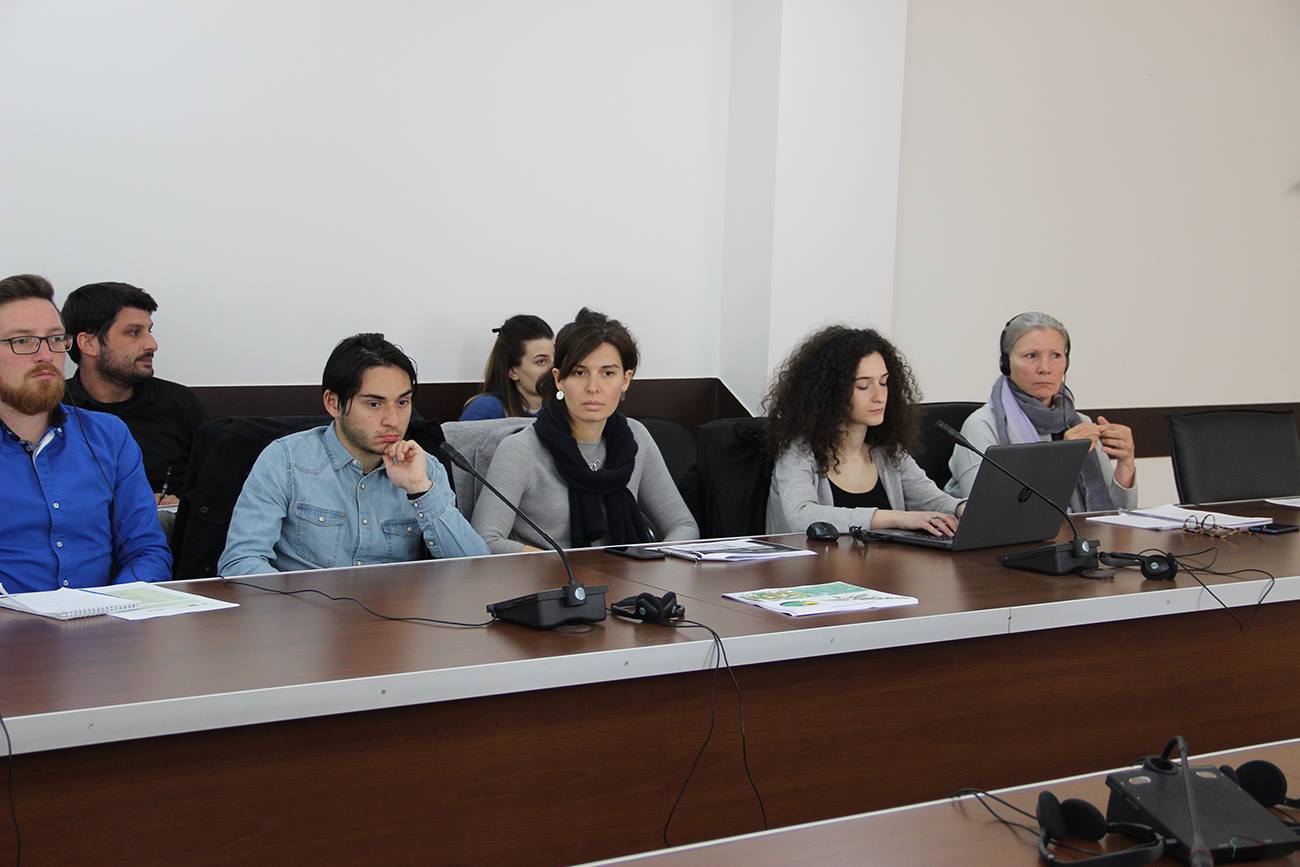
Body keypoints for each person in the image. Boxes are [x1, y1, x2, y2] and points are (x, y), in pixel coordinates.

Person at [219, 333, 489, 575]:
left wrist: (420, 491)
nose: (393, 420)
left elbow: (477, 568)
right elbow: (240, 561)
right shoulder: (285, 461)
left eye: (402, 402)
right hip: (306, 611)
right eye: (374, 404)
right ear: (333, 403)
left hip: (397, 613)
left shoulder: (424, 468)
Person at [471, 308, 698, 553]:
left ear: (625, 380)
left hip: (628, 573)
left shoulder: (636, 437)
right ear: (558, 379)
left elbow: (683, 525)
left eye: (608, 373)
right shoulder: (520, 449)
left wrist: (651, 562)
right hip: (551, 575)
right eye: (579, 373)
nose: (593, 387)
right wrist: (560, 565)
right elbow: (485, 540)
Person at [0, 274, 172, 592]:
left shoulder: (108, 436)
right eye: (22, 341)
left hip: (105, 617)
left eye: (55, 339)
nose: (45, 355)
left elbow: (146, 551)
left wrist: (113, 605)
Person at [765, 325, 962, 536]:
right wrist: (897, 518)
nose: (879, 396)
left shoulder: (888, 451)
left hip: (883, 559)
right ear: (830, 392)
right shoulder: (798, 451)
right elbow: (801, 516)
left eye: (884, 383)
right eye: (863, 386)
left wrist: (961, 508)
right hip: (814, 559)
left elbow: (933, 501)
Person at [945, 312, 1137, 512]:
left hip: (1078, 532)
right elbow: (989, 511)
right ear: (1006, 364)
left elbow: (1116, 517)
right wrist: (1061, 460)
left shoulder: (1081, 423)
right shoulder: (981, 426)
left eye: (1056, 355)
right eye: (1031, 356)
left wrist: (1126, 464)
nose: (1045, 368)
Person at [62, 281, 210, 504]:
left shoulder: (178, 403)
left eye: (149, 331)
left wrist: (184, 503)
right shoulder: (52, 408)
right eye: (133, 332)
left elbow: (217, 483)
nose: (152, 344)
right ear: (89, 343)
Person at [459, 315, 554, 420]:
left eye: (556, 358)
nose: (554, 368)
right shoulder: (486, 408)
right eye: (541, 361)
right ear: (513, 372)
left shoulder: (556, 407)